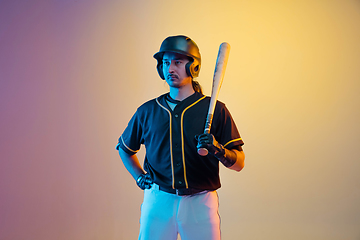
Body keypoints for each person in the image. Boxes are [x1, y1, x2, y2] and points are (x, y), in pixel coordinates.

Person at [116, 35, 245, 240]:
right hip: (158, 199)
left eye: (178, 62)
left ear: (193, 67)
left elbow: (239, 163)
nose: (170, 69)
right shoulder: (148, 110)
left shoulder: (216, 109)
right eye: (166, 62)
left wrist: (218, 149)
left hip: (200, 202)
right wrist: (139, 176)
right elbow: (124, 148)